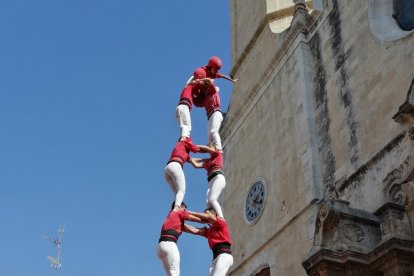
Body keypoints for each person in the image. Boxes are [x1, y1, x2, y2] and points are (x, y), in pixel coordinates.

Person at [165, 137, 212, 210]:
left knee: (177, 193)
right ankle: (176, 209)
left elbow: (194, 162)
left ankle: (174, 210)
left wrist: (205, 161)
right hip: (176, 166)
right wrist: (210, 150)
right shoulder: (184, 142)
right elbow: (198, 149)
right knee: (182, 190)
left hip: (167, 169)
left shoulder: (182, 150)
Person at [157, 202, 204, 276]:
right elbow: (199, 220)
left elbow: (193, 230)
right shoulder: (179, 212)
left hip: (160, 247)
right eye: (184, 209)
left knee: (170, 274)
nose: (185, 211)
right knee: (175, 272)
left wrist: (203, 230)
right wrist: (210, 219)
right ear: (179, 207)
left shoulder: (171, 216)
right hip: (169, 243)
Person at [184, 207, 233, 276]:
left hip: (224, 255)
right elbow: (194, 230)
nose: (205, 217)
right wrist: (180, 223)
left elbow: (209, 217)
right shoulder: (209, 230)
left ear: (214, 214)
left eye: (206, 214)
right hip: (215, 258)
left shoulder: (221, 222)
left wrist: (191, 213)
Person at [188, 144, 226, 218]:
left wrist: (192, 146)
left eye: (210, 146)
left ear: (214, 147)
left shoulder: (218, 153)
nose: (208, 148)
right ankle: (213, 218)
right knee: (208, 204)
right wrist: (189, 158)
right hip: (210, 181)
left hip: (218, 177)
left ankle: (221, 218)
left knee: (212, 199)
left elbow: (206, 148)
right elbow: (196, 164)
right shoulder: (208, 160)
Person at [176, 68, 211, 140]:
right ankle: (184, 141)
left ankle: (181, 141)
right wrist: (205, 83)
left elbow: (197, 102)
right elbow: (200, 82)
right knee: (187, 126)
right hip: (184, 107)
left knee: (183, 128)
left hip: (179, 108)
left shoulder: (187, 87)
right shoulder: (192, 84)